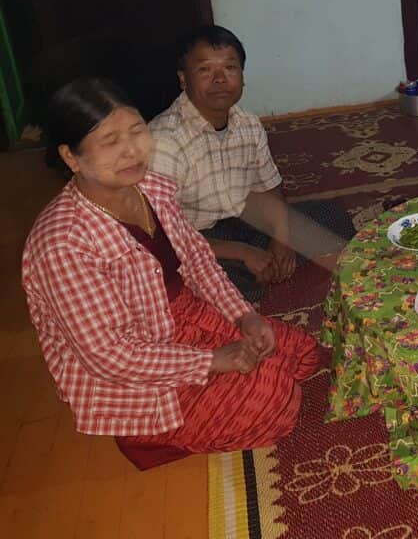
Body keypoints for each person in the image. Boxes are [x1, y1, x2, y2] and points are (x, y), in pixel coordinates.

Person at [21, 78, 320, 470]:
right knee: (276, 397)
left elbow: (196, 259)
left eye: (137, 131)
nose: (131, 151)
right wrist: (210, 361)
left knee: (300, 352)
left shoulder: (151, 188)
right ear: (72, 157)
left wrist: (242, 314)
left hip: (182, 316)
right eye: (110, 141)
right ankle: (146, 436)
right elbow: (110, 356)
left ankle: (214, 392)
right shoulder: (63, 244)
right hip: (132, 371)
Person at [149, 25, 352, 302]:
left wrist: (281, 240)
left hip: (244, 222)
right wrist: (243, 252)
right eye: (205, 70)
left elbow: (268, 188)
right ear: (183, 79)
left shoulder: (248, 124)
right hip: (193, 240)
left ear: (242, 77)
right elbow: (163, 233)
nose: (220, 79)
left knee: (332, 216)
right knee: (208, 278)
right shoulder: (164, 141)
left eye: (230, 68)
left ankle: (262, 267)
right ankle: (249, 273)